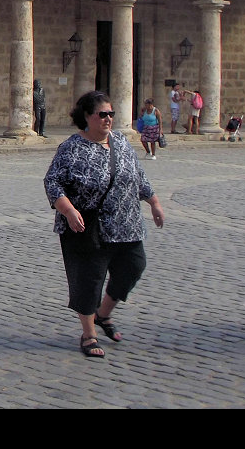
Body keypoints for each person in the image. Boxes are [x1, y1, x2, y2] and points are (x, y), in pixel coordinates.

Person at [43, 91, 165, 359]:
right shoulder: (71, 148)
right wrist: (68, 210)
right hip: (87, 225)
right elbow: (53, 182)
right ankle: (88, 334)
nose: (108, 119)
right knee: (89, 278)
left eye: (111, 114)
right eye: (103, 114)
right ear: (87, 117)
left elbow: (138, 176)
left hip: (126, 223)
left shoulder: (121, 142)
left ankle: (104, 314)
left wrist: (154, 202)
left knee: (134, 266)